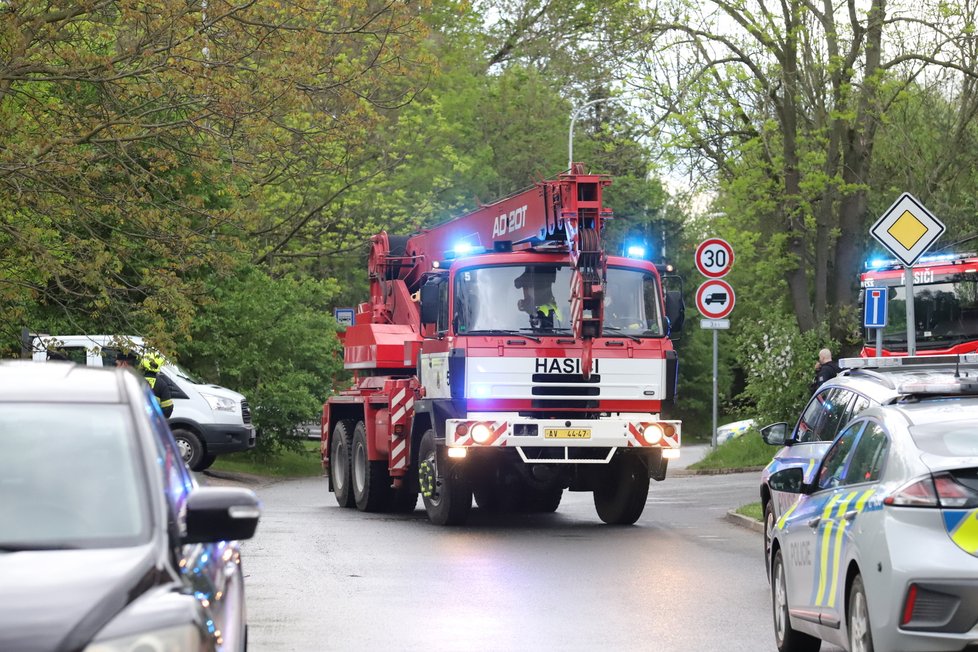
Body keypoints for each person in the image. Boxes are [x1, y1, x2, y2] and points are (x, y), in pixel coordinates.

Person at [116, 351, 174, 418]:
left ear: (143, 362)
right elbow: (168, 411)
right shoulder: (162, 385)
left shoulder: (134, 380)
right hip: (150, 424)